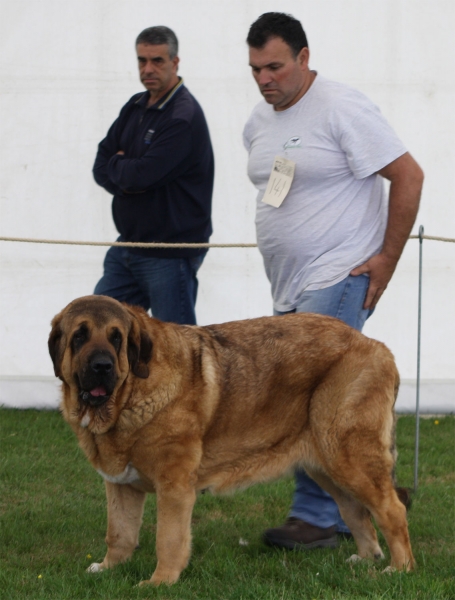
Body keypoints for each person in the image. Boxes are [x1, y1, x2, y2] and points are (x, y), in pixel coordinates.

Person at [243, 12, 424, 550]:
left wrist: (386, 259)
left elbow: (408, 175)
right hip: (288, 286)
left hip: (339, 275)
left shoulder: (342, 107)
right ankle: (368, 499)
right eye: (255, 69)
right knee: (318, 403)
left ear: (303, 57)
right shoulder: (257, 119)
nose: (264, 78)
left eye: (275, 66)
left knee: (318, 404)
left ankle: (318, 516)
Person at [93, 26, 214, 325]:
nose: (148, 69)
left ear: (175, 62)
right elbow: (100, 165)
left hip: (169, 254)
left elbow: (141, 176)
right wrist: (127, 175)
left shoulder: (182, 117)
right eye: (142, 60)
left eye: (157, 61)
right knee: (97, 323)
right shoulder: (135, 106)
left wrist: (122, 171)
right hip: (128, 247)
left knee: (178, 349)